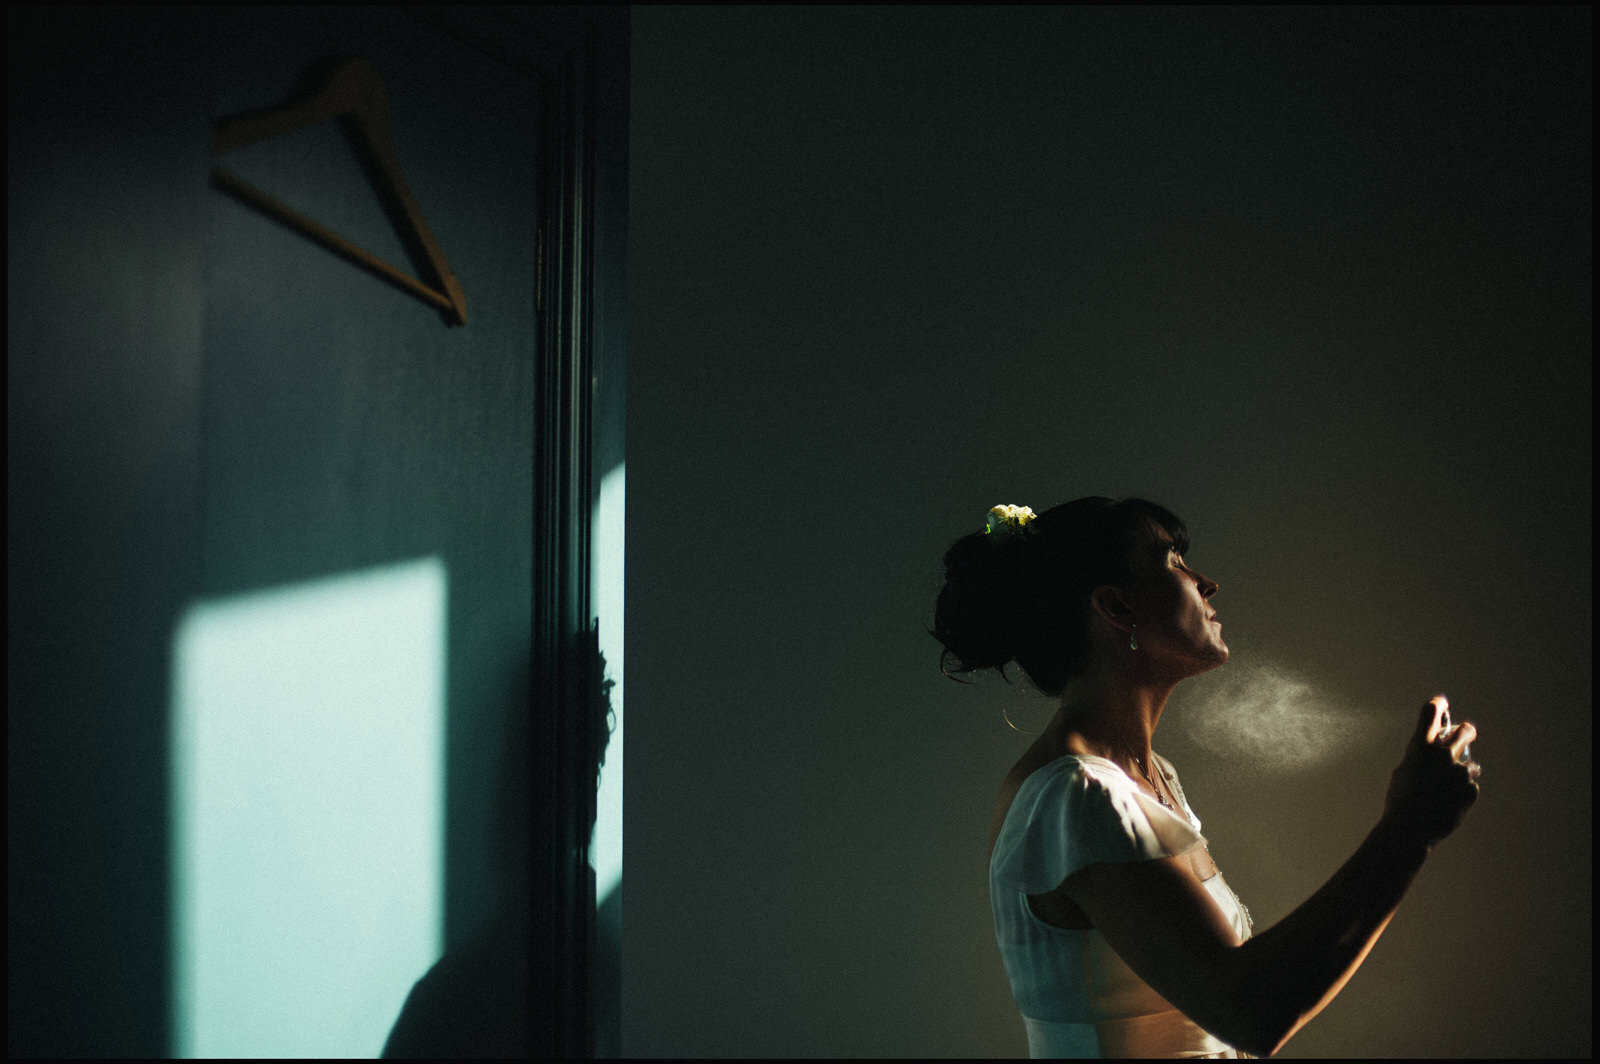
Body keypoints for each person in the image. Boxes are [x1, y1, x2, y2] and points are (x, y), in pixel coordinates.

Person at [929, 497, 1481, 1058]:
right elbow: (1252, 1010)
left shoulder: (1149, 780)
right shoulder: (1076, 797)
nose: (1207, 583)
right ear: (1117, 607)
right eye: (1172, 561)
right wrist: (1409, 829)